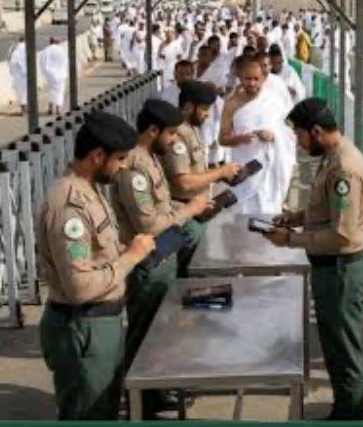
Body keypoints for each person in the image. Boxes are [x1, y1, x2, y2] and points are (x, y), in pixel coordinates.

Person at [38, 111, 155, 420]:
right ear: (98, 156)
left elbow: (96, 253)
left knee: (104, 410)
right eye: (119, 159)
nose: (123, 166)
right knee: (89, 413)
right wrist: (132, 257)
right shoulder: (70, 207)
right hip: (83, 327)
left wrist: (123, 250)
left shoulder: (90, 191)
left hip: (100, 323)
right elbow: (79, 287)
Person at [265, 98, 363, 420]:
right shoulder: (332, 157)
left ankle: (350, 417)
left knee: (345, 353)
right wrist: (296, 218)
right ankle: (342, 413)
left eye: (300, 136)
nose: (299, 144)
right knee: (335, 350)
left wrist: (290, 240)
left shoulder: (343, 169)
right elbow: (326, 210)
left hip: (342, 270)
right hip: (332, 269)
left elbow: (342, 235)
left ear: (315, 131)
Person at [112, 99, 210, 417]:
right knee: (143, 337)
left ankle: (155, 395)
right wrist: (189, 210)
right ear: (153, 130)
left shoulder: (151, 159)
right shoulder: (134, 167)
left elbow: (162, 208)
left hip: (165, 256)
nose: (173, 140)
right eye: (170, 133)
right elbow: (147, 223)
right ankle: (140, 406)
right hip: (148, 264)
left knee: (160, 334)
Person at [161, 81, 242, 277]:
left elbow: (196, 171)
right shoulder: (178, 135)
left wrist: (223, 174)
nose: (207, 114)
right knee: (187, 272)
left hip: (198, 207)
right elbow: (183, 182)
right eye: (204, 109)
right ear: (189, 106)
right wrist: (220, 173)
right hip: (183, 210)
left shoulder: (192, 129)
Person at [219, 55, 296, 214]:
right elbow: (222, 139)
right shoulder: (231, 103)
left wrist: (274, 136)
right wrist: (241, 138)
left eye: (256, 79)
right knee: (242, 214)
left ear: (263, 79)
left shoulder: (274, 101)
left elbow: (289, 131)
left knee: (267, 214)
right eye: (248, 79)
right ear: (241, 78)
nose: (252, 83)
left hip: (269, 168)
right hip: (244, 169)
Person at [40, 37, 69, 115]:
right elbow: (65, 62)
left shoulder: (46, 50)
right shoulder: (62, 50)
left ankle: (50, 108)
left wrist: (46, 73)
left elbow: (42, 62)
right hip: (60, 74)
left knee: (51, 91)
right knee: (60, 91)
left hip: (50, 75)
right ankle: (58, 108)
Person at [8, 39, 28, 114]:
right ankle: (25, 108)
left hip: (17, 74)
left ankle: (23, 108)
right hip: (25, 72)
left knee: (20, 92)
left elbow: (9, 59)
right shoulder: (27, 47)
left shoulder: (13, 48)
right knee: (25, 92)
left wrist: (12, 71)